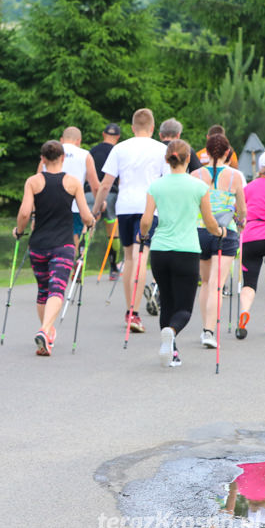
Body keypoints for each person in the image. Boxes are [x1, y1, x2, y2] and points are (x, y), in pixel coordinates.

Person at [139, 139, 223, 368]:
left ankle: (172, 351)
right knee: (184, 309)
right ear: (188, 160)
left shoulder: (156, 186)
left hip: (160, 251)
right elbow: (209, 223)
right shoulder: (198, 187)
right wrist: (220, 231)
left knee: (167, 302)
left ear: (167, 159)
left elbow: (146, 220)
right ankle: (172, 333)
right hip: (186, 251)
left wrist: (143, 234)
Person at [15, 140, 95, 356]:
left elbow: (24, 213)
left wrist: (19, 231)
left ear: (42, 159)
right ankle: (44, 330)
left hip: (38, 245)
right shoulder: (73, 182)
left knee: (43, 290)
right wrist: (91, 223)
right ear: (62, 158)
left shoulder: (33, 182)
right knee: (57, 288)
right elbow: (86, 215)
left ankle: (47, 335)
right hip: (63, 244)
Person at [92, 108, 168, 334]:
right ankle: (135, 312)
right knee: (140, 256)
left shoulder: (119, 148)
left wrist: (96, 208)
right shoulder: (161, 149)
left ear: (133, 128)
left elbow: (106, 184)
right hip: (149, 208)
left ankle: (130, 310)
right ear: (153, 128)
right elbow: (166, 182)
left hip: (124, 207)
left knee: (128, 257)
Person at [191, 133, 246, 349]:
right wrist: (241, 222)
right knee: (216, 284)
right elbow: (242, 208)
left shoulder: (195, 174)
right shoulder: (235, 176)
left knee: (205, 283)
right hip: (226, 232)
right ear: (227, 152)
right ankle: (209, 330)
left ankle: (206, 327)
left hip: (200, 230)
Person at [37, 126, 99, 246]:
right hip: (75, 206)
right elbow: (95, 186)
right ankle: (69, 263)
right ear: (79, 140)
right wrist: (99, 204)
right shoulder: (85, 155)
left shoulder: (49, 155)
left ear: (61, 140)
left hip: (48, 205)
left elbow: (37, 180)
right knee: (72, 239)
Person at [236, 152, 265, 339]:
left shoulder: (248, 188)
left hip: (251, 237)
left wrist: (239, 223)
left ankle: (244, 312)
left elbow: (237, 213)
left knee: (249, 284)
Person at [88, 123, 122, 280]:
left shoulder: (92, 151)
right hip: (111, 193)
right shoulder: (118, 151)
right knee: (112, 230)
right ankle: (113, 268)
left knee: (87, 227)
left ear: (103, 134)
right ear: (118, 137)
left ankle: (79, 262)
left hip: (89, 191)